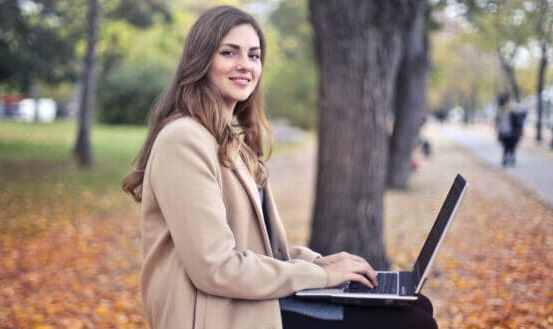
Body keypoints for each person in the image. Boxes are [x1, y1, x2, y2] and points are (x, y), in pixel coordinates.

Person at [122, 6, 438, 329]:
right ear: (201, 61)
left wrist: (319, 262)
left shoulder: (228, 138)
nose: (245, 65)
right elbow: (215, 267)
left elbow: (263, 251)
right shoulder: (183, 140)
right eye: (229, 53)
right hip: (216, 315)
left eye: (254, 55)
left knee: (417, 307)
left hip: (251, 301)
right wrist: (321, 276)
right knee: (411, 322)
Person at [495, 93, 524, 167]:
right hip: (510, 131)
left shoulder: (501, 109)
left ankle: (507, 158)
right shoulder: (511, 108)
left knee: (507, 146)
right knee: (511, 145)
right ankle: (510, 158)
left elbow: (498, 122)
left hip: (506, 131)